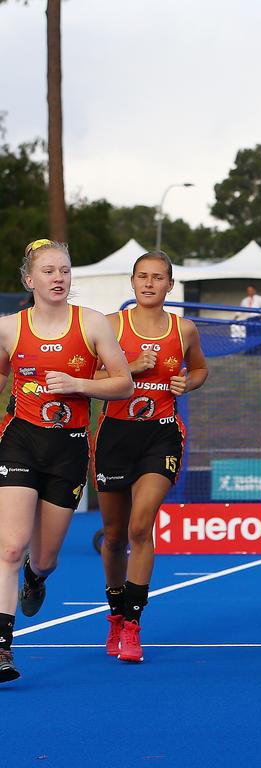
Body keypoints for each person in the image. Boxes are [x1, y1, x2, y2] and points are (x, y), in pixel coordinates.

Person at [0, 239, 133, 682]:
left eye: (65, 270)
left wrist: (78, 383)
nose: (59, 278)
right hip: (19, 440)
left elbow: (124, 384)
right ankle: (2, 648)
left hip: (69, 446)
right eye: (49, 270)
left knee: (45, 557)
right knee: (10, 547)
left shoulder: (92, 324)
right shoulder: (9, 329)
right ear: (29, 279)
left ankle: (36, 580)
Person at [96, 251, 209, 663]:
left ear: (169, 285)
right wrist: (126, 366)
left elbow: (199, 369)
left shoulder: (185, 329)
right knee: (113, 535)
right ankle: (114, 613)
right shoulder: (110, 326)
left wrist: (187, 383)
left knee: (141, 525)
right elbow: (86, 378)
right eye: (142, 276)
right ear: (132, 282)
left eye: (157, 277)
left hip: (161, 433)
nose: (149, 283)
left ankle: (132, 624)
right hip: (115, 434)